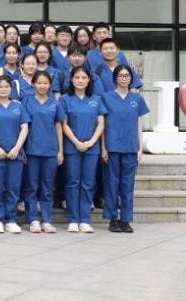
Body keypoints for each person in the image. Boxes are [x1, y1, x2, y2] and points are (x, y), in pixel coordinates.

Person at [0, 75, 31, 234]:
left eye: (6, 86)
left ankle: (11, 219)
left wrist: (17, 148)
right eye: (0, 86)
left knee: (13, 187)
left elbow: (24, 128)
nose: (3, 89)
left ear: (11, 88)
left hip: (15, 153)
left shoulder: (18, 106)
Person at [101, 65, 148, 233]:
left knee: (128, 185)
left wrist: (140, 147)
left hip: (130, 146)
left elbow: (139, 123)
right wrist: (103, 147)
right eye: (121, 75)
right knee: (111, 184)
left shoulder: (137, 99)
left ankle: (125, 220)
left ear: (131, 78)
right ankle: (112, 219)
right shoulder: (106, 97)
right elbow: (102, 124)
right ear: (115, 78)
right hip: (112, 146)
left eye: (127, 75)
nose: (124, 78)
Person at [60, 65, 107, 233]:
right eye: (77, 77)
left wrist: (92, 141)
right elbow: (63, 124)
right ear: (71, 80)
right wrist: (76, 142)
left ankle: (85, 219)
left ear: (89, 80)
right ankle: (73, 219)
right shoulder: (65, 99)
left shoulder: (96, 99)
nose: (80, 81)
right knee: (72, 183)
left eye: (84, 78)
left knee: (88, 183)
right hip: (72, 147)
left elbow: (101, 123)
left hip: (91, 148)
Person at [22, 71, 64, 234]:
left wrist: (60, 150)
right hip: (32, 149)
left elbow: (58, 126)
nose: (42, 86)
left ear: (50, 85)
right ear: (33, 84)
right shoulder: (27, 102)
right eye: (39, 83)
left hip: (50, 150)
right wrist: (23, 148)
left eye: (45, 83)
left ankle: (46, 220)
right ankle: (33, 219)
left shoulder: (55, 103)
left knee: (47, 186)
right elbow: (24, 126)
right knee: (31, 186)